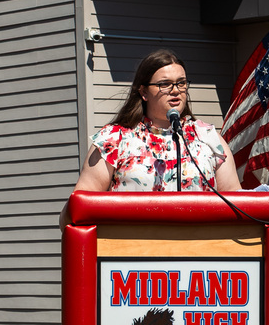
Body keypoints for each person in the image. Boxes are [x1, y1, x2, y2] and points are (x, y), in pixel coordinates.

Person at [60, 49, 241, 228]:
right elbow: (78, 209)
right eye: (165, 84)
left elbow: (237, 205)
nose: (175, 90)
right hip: (130, 243)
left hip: (201, 243)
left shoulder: (209, 138)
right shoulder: (114, 139)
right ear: (144, 92)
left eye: (181, 83)